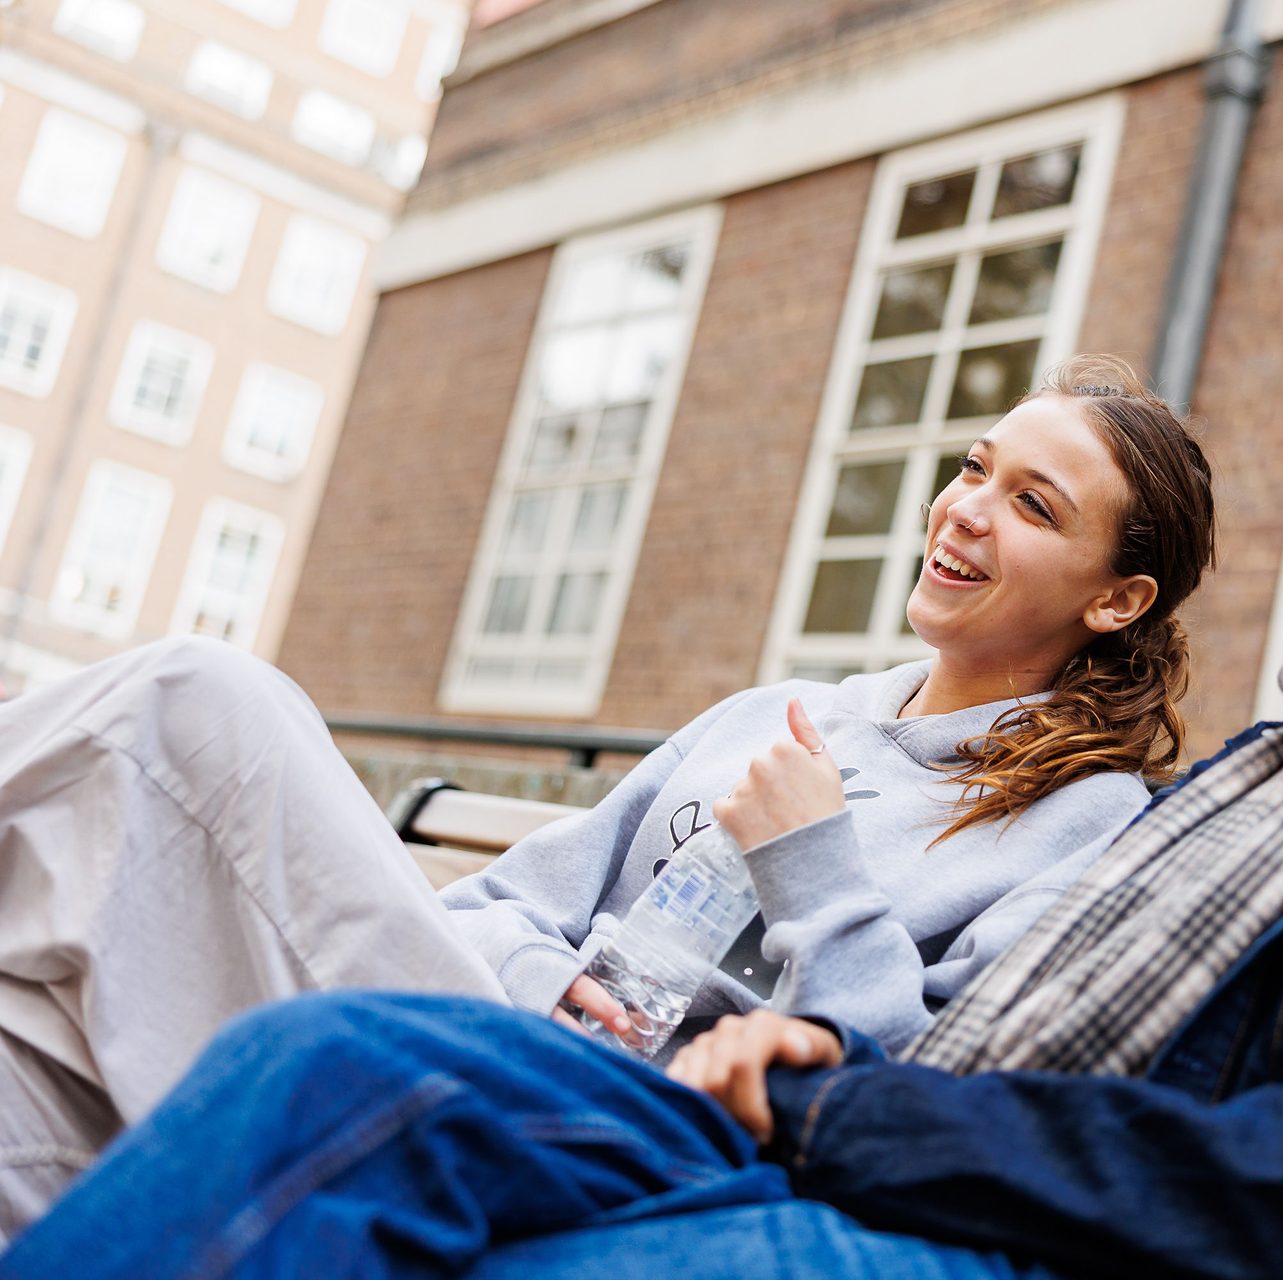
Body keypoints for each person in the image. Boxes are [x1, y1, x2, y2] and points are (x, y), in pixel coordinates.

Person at [2, 344, 1283, 1280]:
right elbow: (519, 909)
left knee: (206, 742)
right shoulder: (1273, 780)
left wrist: (831, 1032)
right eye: (973, 469)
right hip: (824, 1139)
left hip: (888, 1166)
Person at [0, 354, 1218, 1243]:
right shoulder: (775, 711)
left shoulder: (1093, 821)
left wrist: (816, 867)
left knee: (196, 703)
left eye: (1033, 505)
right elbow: (496, 903)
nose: (965, 508)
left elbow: (930, 1089)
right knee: (22, 1046)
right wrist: (543, 988)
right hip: (506, 1036)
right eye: (975, 467)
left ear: (1116, 598)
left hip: (648, 1136)